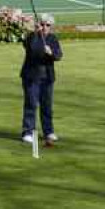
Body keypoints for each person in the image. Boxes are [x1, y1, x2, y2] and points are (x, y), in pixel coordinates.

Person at [19, 14, 63, 145]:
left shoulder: (52, 39)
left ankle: (48, 131)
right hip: (32, 77)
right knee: (31, 104)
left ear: (51, 27)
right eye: (42, 24)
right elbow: (29, 48)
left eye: (47, 25)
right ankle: (28, 132)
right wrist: (35, 34)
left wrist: (51, 53)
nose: (44, 27)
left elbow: (59, 55)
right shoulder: (32, 37)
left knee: (47, 106)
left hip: (47, 78)